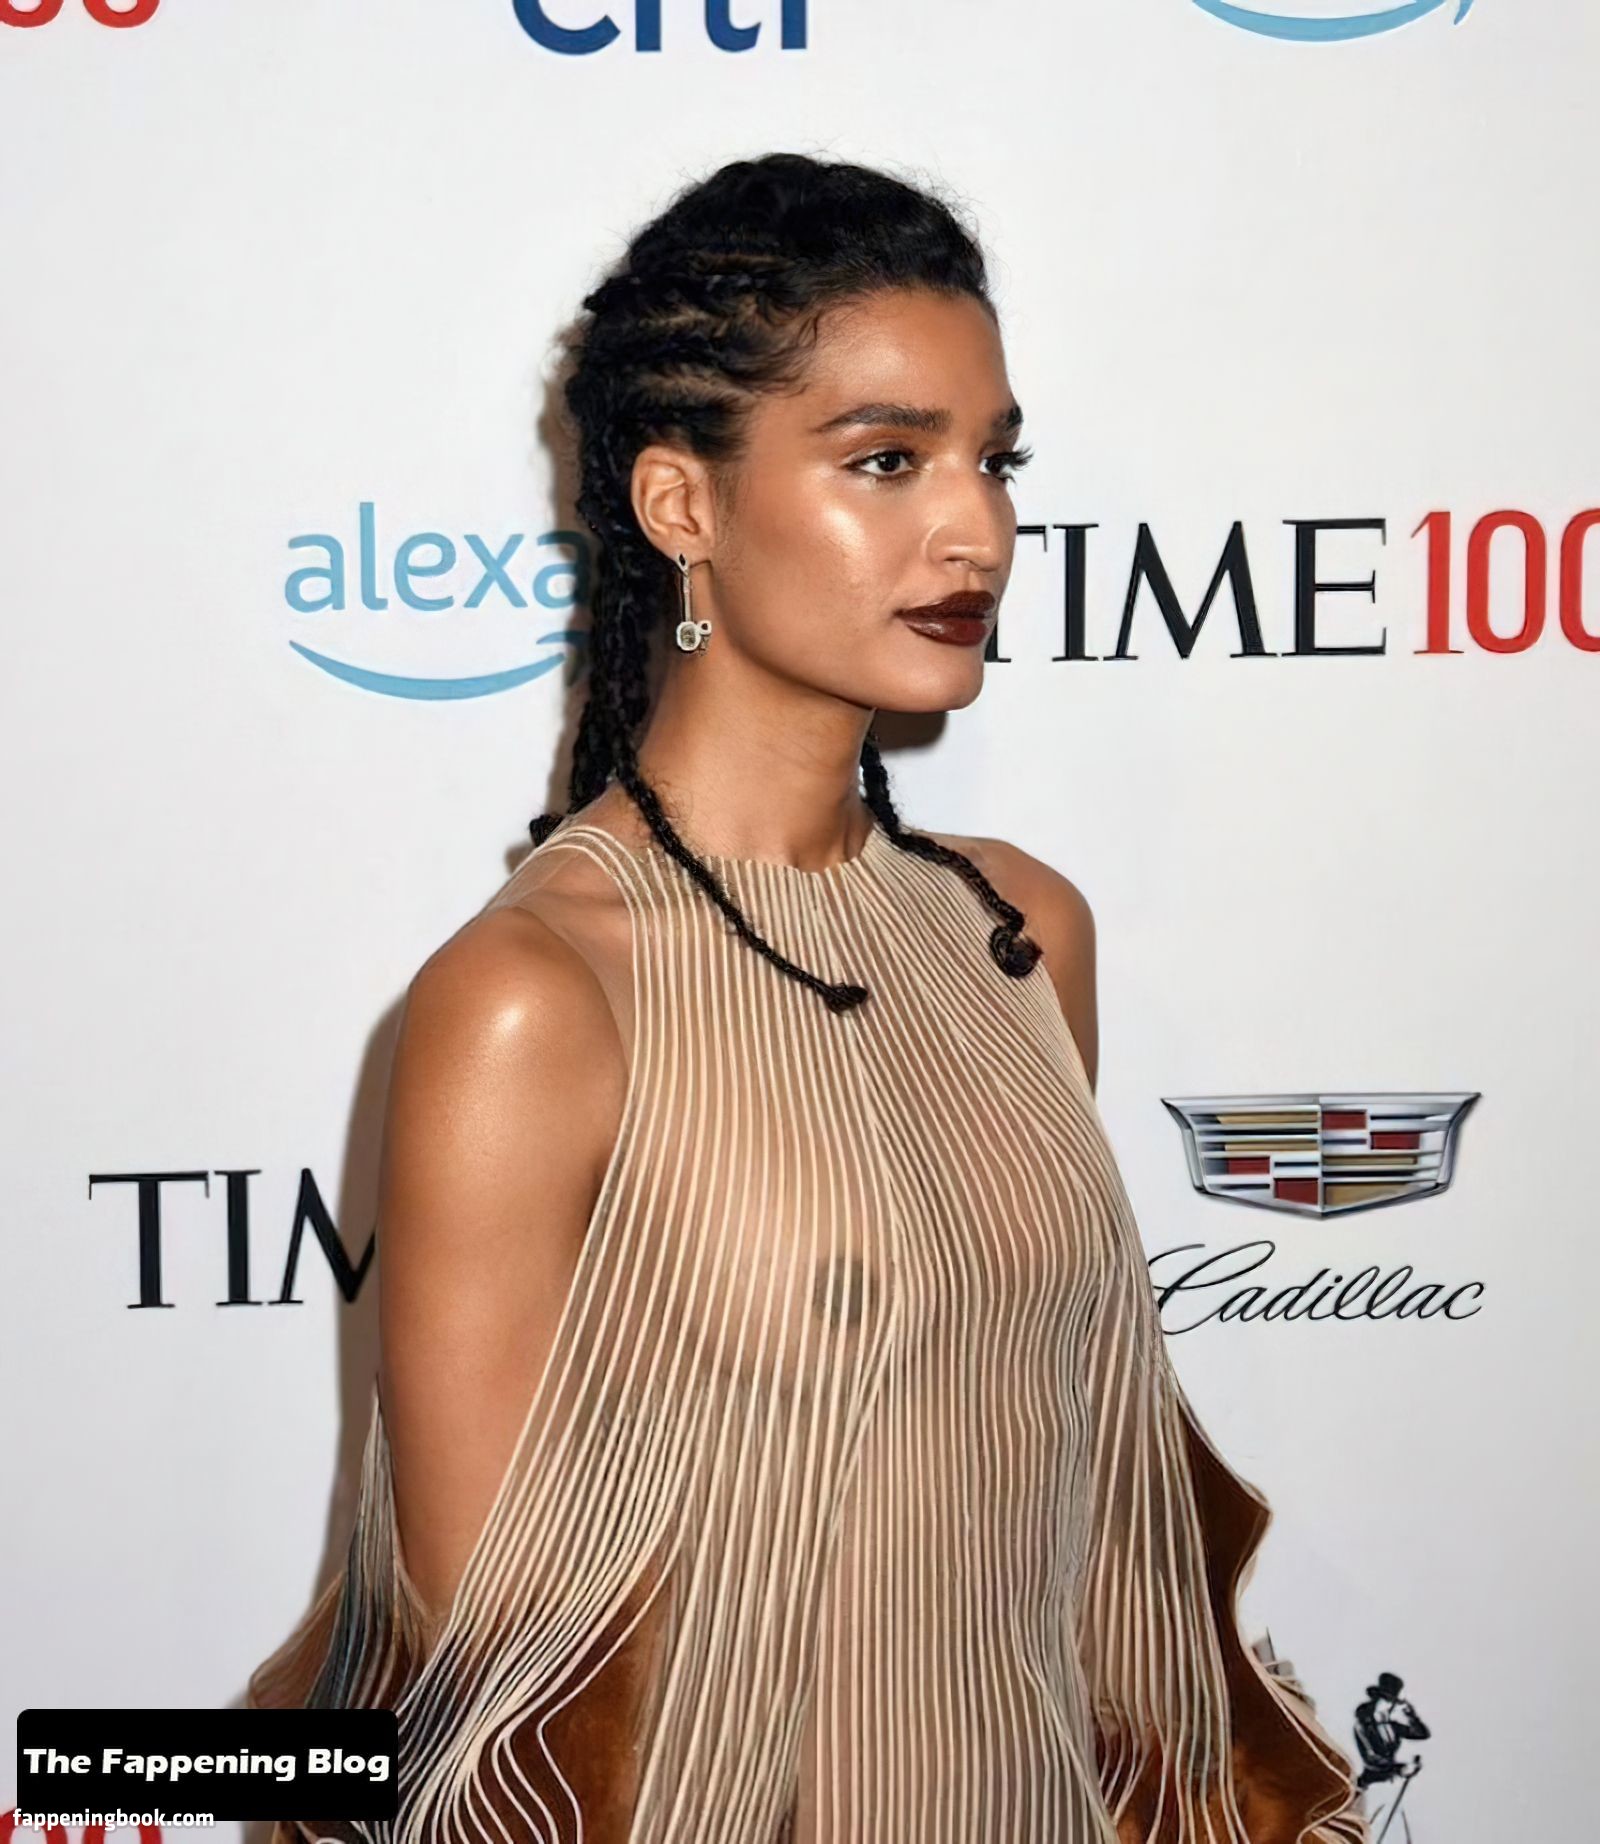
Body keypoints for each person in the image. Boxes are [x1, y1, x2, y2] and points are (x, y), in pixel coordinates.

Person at [248, 150, 1369, 1844]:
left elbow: (1091, 1546)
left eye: (994, 459)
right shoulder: (534, 1000)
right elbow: (489, 1701)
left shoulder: (1022, 934)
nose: (976, 529)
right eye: (886, 460)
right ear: (680, 506)